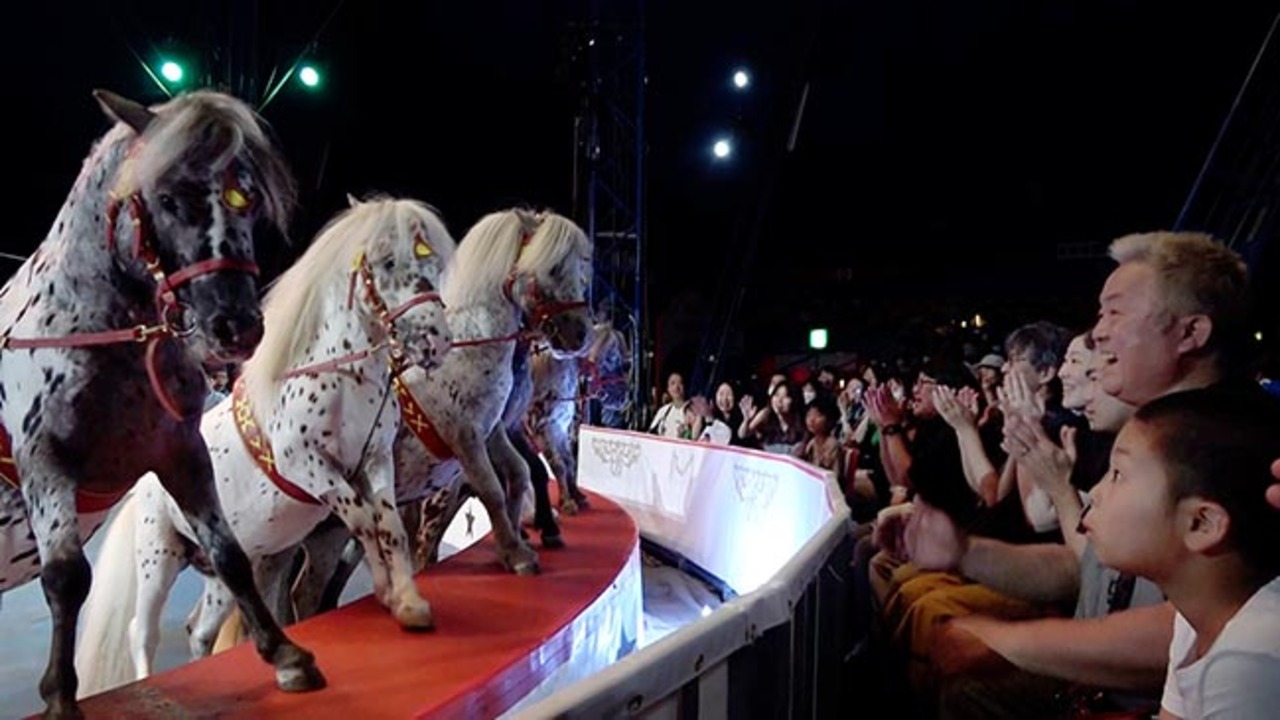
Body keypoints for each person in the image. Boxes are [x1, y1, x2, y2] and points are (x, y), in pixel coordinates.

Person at [1080, 387, 1280, 718]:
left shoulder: (1251, 660)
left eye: (1118, 474)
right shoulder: (1194, 623)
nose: (1095, 493)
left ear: (1201, 524)